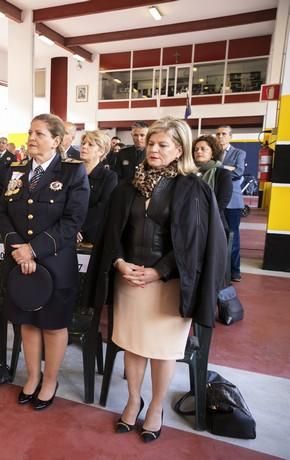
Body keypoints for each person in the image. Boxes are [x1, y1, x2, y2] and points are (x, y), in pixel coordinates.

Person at [87, 117, 226, 442]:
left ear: (179, 149)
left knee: (163, 351)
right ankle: (134, 400)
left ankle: (156, 408)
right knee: (133, 347)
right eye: (151, 143)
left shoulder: (193, 188)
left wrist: (159, 270)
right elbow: (112, 232)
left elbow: (193, 243)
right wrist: (119, 263)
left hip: (169, 285)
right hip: (129, 281)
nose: (154, 149)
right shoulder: (127, 186)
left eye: (163, 144)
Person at [0, 113, 89, 410]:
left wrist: (32, 250)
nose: (32, 138)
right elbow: (2, 214)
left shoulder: (73, 172)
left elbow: (72, 222)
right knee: (26, 322)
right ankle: (33, 376)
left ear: (57, 140)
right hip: (18, 261)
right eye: (30, 132)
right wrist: (17, 248)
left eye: (39, 134)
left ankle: (50, 380)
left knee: (52, 324)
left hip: (55, 262)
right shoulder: (16, 169)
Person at [215, 125, 246, 282]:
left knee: (233, 237)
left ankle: (235, 271)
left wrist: (219, 167)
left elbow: (239, 171)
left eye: (224, 134)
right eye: (218, 134)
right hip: (216, 200)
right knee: (216, 236)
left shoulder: (239, 153)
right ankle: (219, 270)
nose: (220, 136)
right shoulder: (214, 153)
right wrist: (227, 168)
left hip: (233, 202)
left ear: (230, 136)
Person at [78, 130, 117, 245]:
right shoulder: (72, 174)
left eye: (90, 145)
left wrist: (78, 227)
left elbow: (103, 207)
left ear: (101, 151)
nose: (84, 147)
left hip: (93, 235)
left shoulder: (109, 177)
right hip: (67, 232)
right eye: (83, 143)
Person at [194, 135, 233, 233]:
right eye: (196, 149)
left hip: (213, 223)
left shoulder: (222, 174)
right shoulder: (187, 173)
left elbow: (222, 201)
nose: (198, 151)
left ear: (213, 153)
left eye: (203, 149)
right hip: (189, 223)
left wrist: (204, 217)